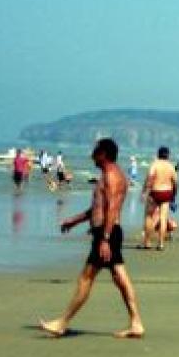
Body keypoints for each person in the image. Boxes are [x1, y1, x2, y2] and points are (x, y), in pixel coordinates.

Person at [38, 138, 144, 339]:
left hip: (107, 233)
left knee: (86, 278)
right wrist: (75, 221)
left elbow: (112, 208)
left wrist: (104, 238)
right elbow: (97, 209)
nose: (92, 155)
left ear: (103, 154)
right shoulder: (110, 175)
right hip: (108, 231)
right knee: (120, 278)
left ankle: (62, 322)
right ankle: (136, 322)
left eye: (95, 151)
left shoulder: (112, 176)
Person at [140, 147, 178, 250]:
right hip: (167, 193)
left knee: (148, 216)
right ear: (168, 155)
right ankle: (160, 243)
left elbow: (150, 178)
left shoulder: (154, 164)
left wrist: (144, 192)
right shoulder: (171, 166)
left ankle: (147, 243)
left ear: (158, 154)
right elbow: (175, 182)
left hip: (155, 192)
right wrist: (174, 195)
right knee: (163, 217)